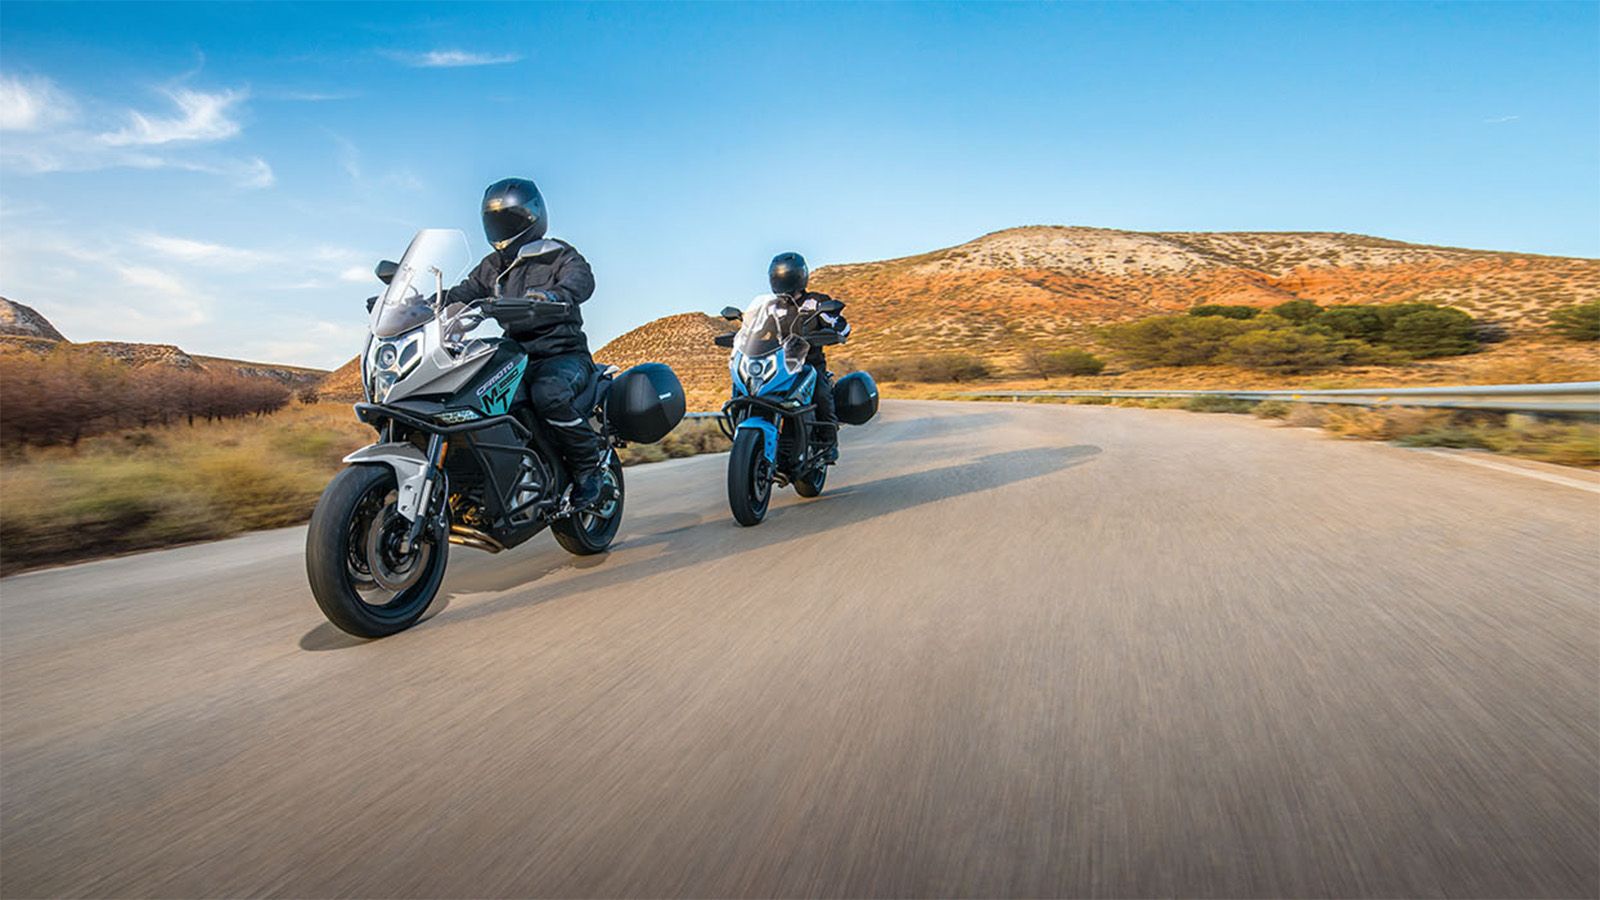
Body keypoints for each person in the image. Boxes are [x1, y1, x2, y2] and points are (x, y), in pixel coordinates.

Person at [443, 177, 606, 509]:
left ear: (532, 218)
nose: (501, 228)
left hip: (562, 354)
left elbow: (581, 280)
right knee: (466, 396)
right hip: (515, 356)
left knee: (548, 394)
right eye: (495, 220)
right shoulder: (491, 267)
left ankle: (589, 470)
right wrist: (418, 304)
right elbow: (462, 294)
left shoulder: (557, 254)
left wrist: (554, 296)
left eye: (510, 220)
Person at [767, 252, 849, 461]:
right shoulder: (772, 308)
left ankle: (829, 442)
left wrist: (834, 331)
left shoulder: (816, 302)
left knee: (821, 393)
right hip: (779, 368)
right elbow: (759, 332)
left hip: (809, 365)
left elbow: (841, 326)